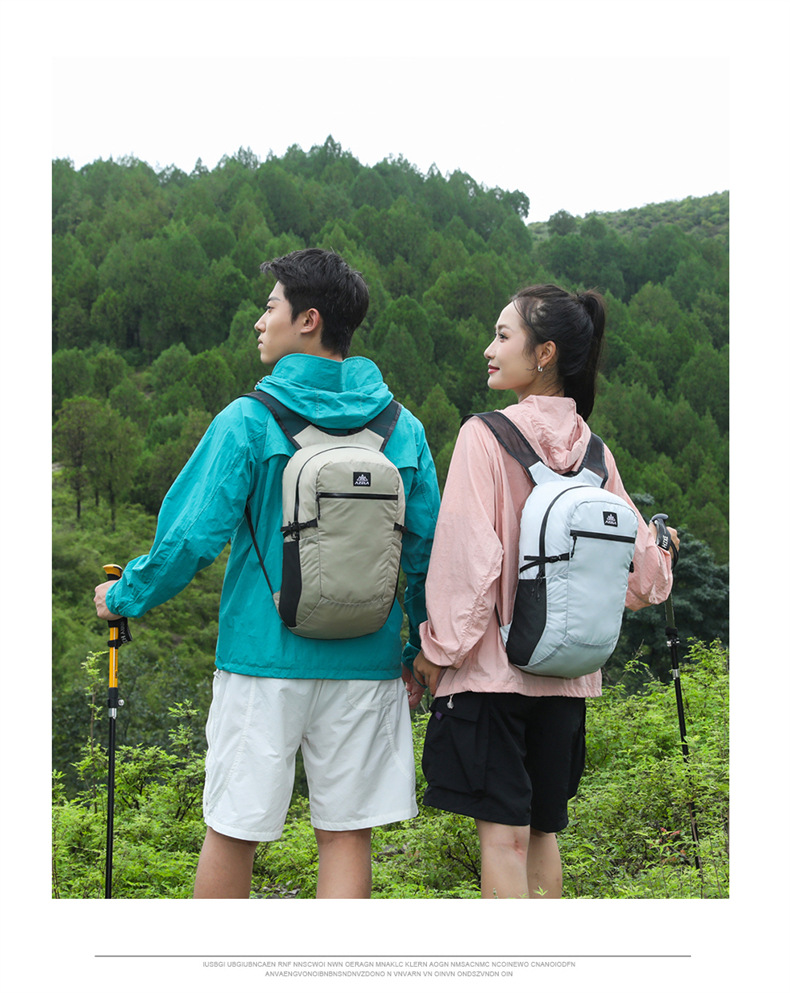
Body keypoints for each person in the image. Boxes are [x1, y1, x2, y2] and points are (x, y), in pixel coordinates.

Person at [94, 248, 439, 899]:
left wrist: (125, 594)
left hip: (262, 658)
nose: (260, 320)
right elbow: (426, 554)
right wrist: (418, 650)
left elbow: (191, 537)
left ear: (308, 319)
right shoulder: (404, 428)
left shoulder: (249, 420)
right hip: (367, 660)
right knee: (346, 836)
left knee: (233, 831)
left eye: (270, 306)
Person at [413, 283, 679, 900]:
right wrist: (664, 551)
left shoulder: (484, 435)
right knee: (542, 836)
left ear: (545, 353)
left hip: (492, 676)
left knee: (501, 842)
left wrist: (438, 650)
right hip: (567, 680)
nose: (489, 349)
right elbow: (643, 579)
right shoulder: (595, 453)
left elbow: (468, 561)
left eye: (503, 336)